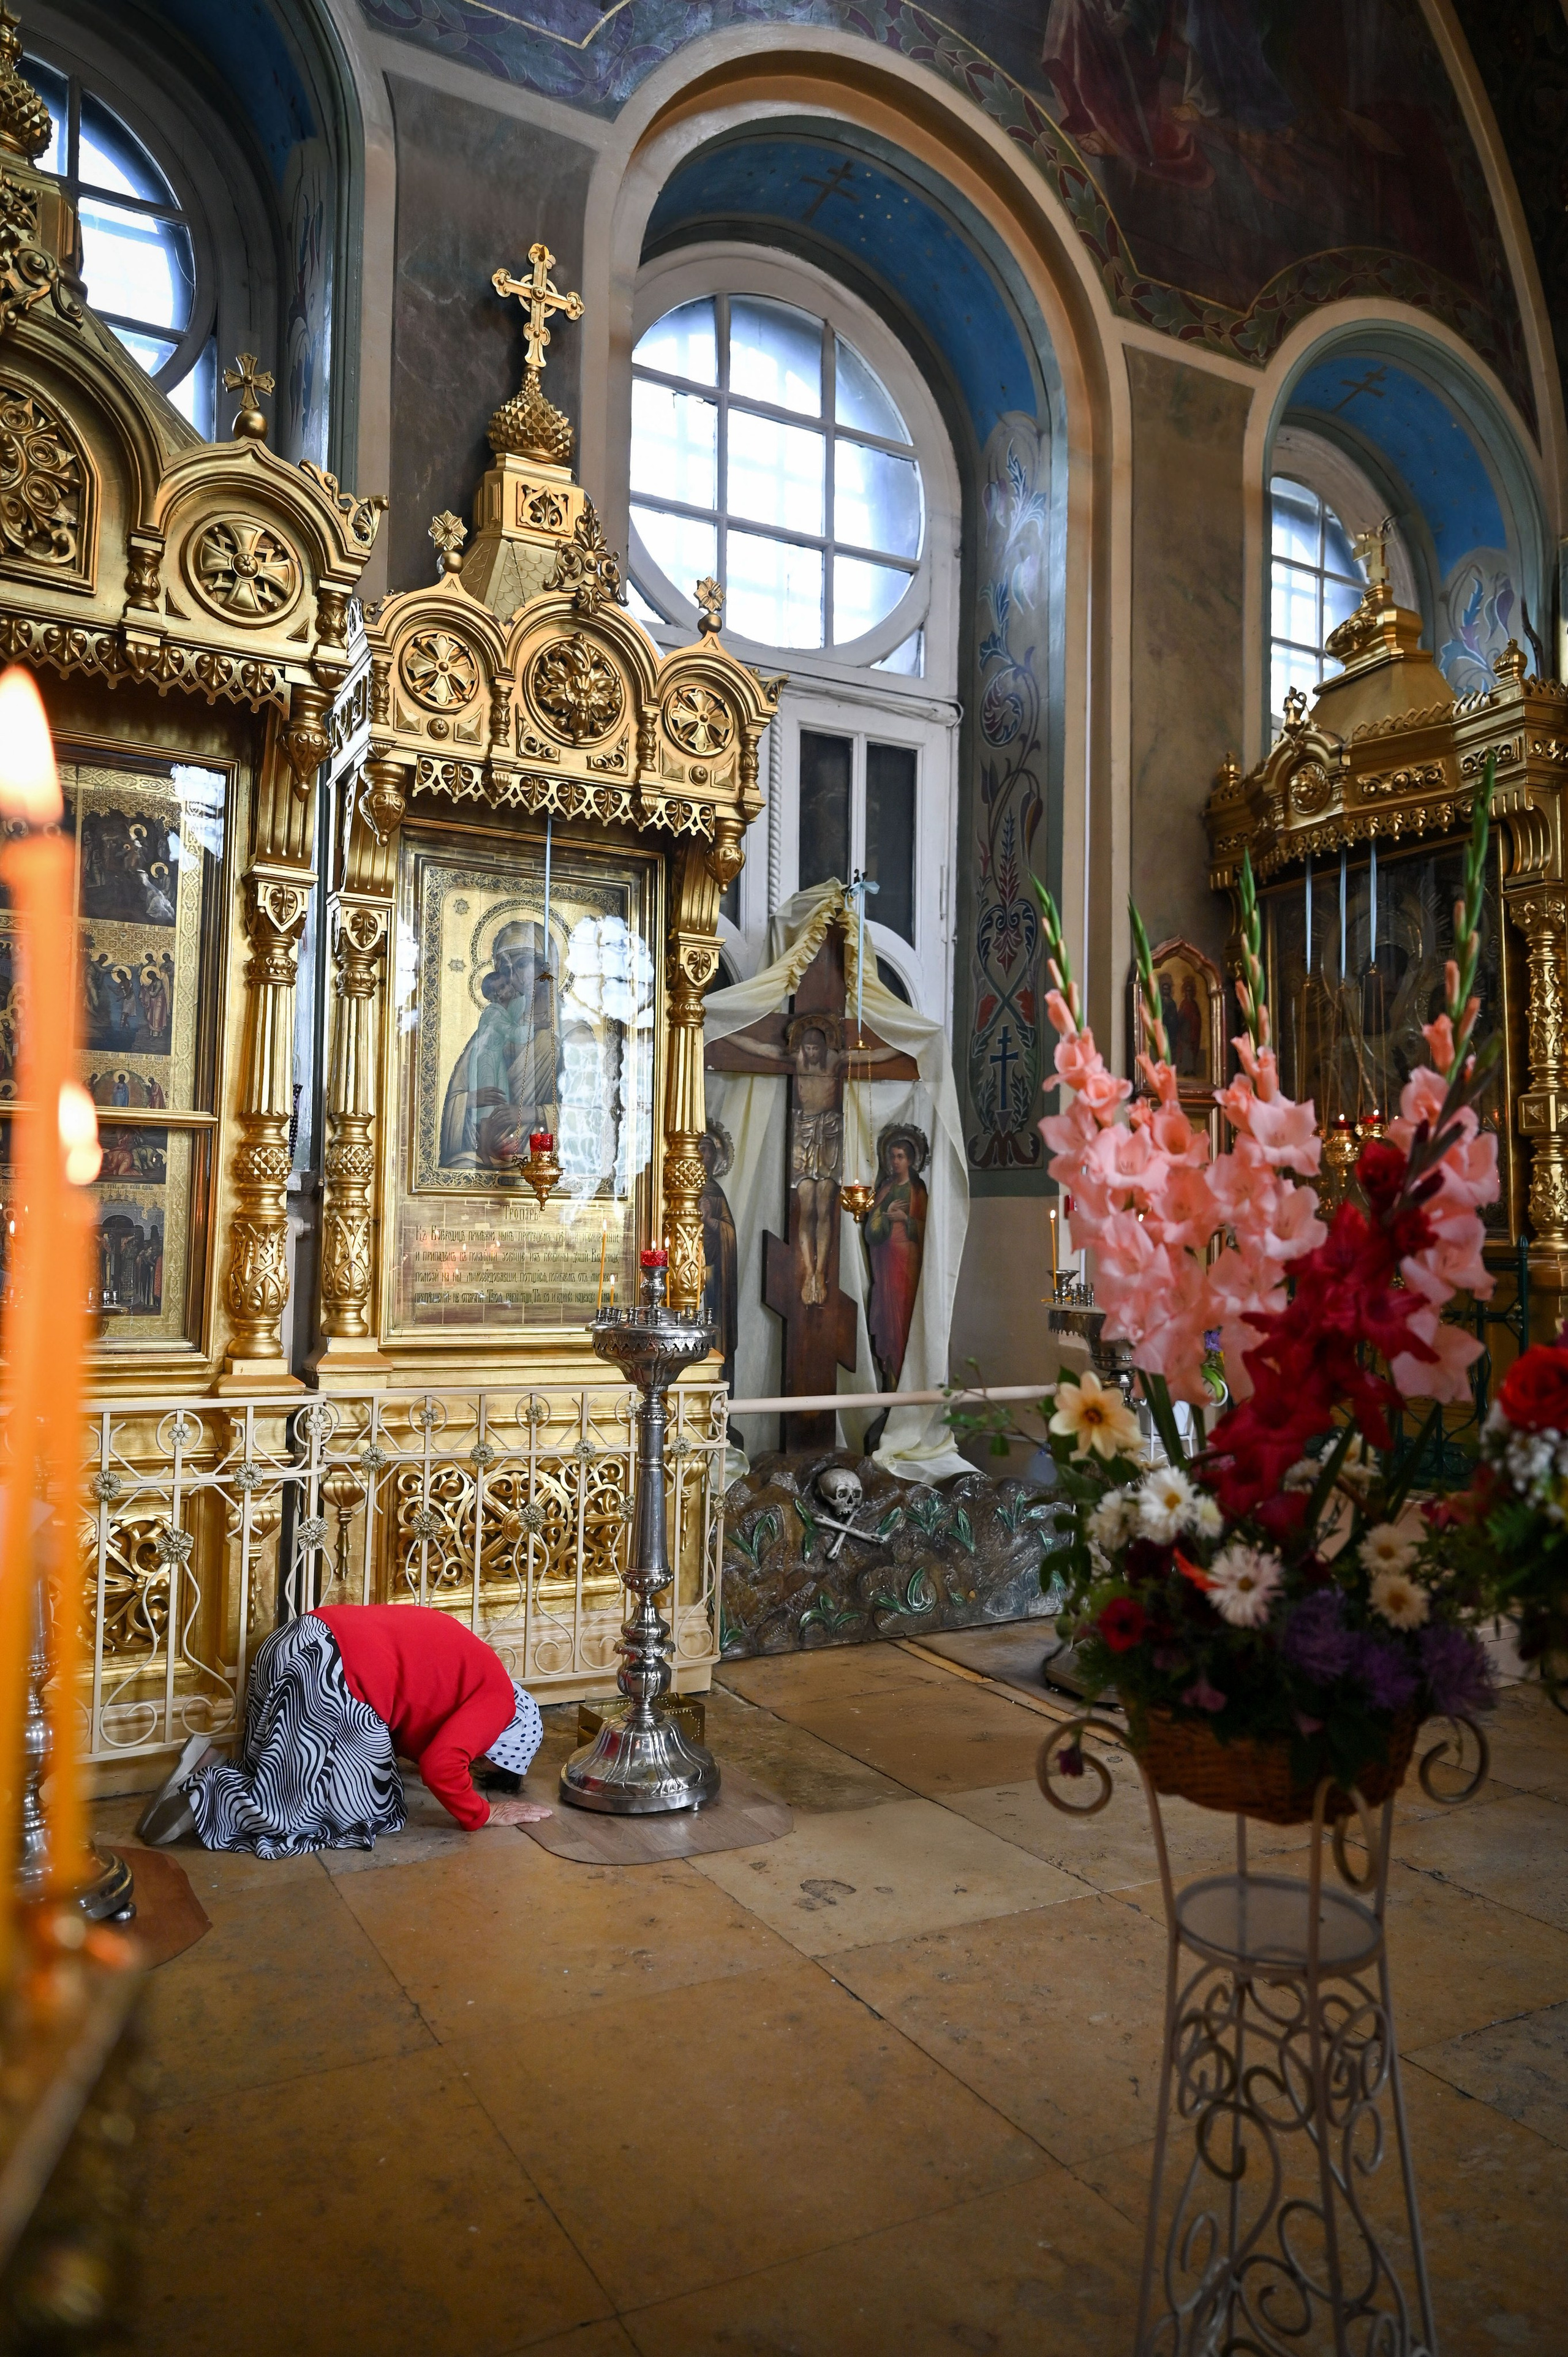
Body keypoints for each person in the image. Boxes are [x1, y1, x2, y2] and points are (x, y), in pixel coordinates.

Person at [134, 1603, 551, 1857]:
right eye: (481, 1763)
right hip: (328, 1674)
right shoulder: (499, 1701)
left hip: (293, 1644)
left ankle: (209, 1763)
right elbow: (443, 1765)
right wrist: (482, 1812)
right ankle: (209, 1794)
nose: (472, 1764)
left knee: (296, 1774)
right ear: (502, 1744)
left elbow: (408, 1718)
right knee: (364, 1811)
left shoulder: (474, 1669)